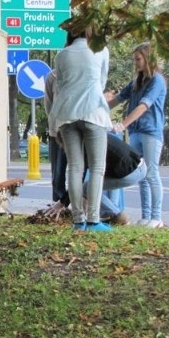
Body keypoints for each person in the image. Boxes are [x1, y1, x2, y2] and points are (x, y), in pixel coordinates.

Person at [49, 30, 113, 232]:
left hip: (67, 113)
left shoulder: (62, 54)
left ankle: (78, 220)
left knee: (75, 167)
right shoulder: (101, 50)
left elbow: (59, 84)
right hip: (93, 111)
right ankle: (93, 220)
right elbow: (101, 82)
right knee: (97, 168)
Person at [108, 42, 167, 228]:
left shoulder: (157, 81)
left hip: (151, 132)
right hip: (136, 132)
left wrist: (123, 124)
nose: (136, 63)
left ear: (148, 58)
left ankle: (156, 217)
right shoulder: (136, 82)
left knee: (151, 173)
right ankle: (146, 215)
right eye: (135, 59)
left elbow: (143, 106)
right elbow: (117, 99)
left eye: (138, 59)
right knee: (140, 174)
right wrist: (97, 108)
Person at [45, 134, 147, 225]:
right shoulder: (92, 134)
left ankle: (118, 217)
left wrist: (61, 203)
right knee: (90, 186)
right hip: (130, 166)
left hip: (132, 171)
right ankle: (109, 215)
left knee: (86, 188)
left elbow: (78, 181)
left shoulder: (86, 146)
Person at [44, 70, 68, 203]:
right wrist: (54, 122)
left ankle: (78, 203)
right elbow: (48, 104)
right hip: (57, 131)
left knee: (80, 170)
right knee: (58, 171)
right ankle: (58, 202)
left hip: (76, 129)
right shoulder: (52, 77)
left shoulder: (81, 73)